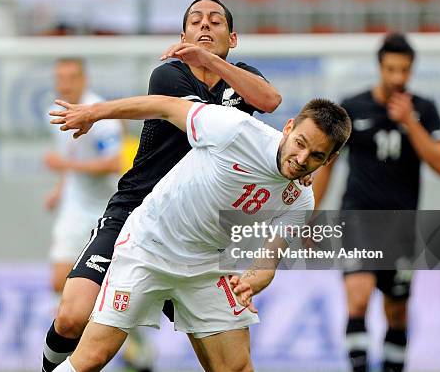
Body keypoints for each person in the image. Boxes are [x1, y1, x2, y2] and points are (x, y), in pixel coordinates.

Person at [40, 0, 283, 372]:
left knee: (231, 366)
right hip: (136, 214)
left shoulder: (244, 77)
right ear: (182, 34)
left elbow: (269, 100)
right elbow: (206, 127)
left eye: (215, 22)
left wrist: (212, 62)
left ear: (232, 38)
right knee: (72, 316)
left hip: (198, 234)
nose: (205, 26)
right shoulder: (169, 75)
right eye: (196, 21)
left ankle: (139, 344)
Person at [49, 94, 352, 372]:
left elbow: (267, 263)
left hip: (207, 265)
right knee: (92, 358)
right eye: (300, 143)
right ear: (288, 127)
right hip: (149, 246)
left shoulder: (301, 199)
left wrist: (250, 281)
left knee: (236, 368)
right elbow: (165, 106)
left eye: (315, 155)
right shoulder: (236, 130)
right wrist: (95, 112)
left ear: (329, 160)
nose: (301, 160)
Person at [313, 33, 440, 372]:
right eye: (391, 70)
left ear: (411, 70)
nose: (397, 78)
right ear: (380, 67)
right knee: (358, 298)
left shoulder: (425, 110)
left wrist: (410, 123)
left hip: (401, 225)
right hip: (357, 219)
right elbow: (327, 167)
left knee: (397, 311)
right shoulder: (352, 107)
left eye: (404, 71)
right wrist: (308, 216)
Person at [43, 58, 122, 293]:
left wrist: (65, 164)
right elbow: (71, 154)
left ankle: (115, 328)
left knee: (108, 288)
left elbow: (115, 163)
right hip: (75, 206)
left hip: (107, 207)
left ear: (84, 80)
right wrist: (59, 190)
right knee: (59, 281)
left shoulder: (100, 115)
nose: (65, 85)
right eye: (60, 79)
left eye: (72, 78)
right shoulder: (56, 114)